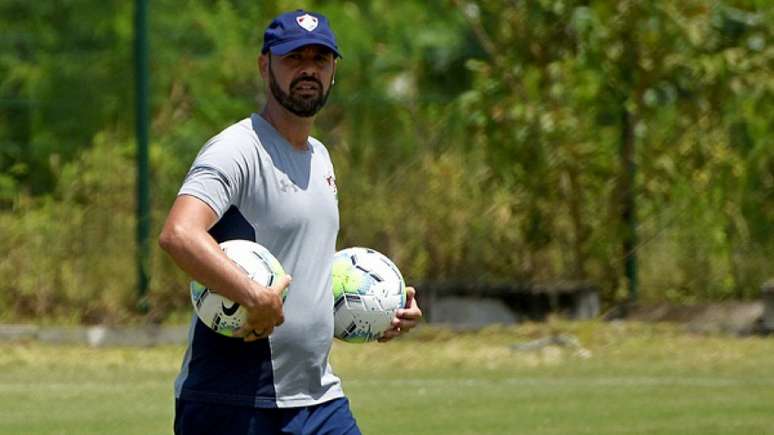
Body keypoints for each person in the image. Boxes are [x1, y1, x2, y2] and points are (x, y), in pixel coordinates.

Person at [158, 9, 423, 435]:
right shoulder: (236, 150)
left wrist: (379, 309)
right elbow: (178, 234)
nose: (308, 70)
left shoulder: (320, 157)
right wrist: (253, 296)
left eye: (320, 60)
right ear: (266, 66)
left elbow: (309, 265)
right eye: (294, 58)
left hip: (318, 400)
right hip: (232, 401)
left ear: (333, 72)